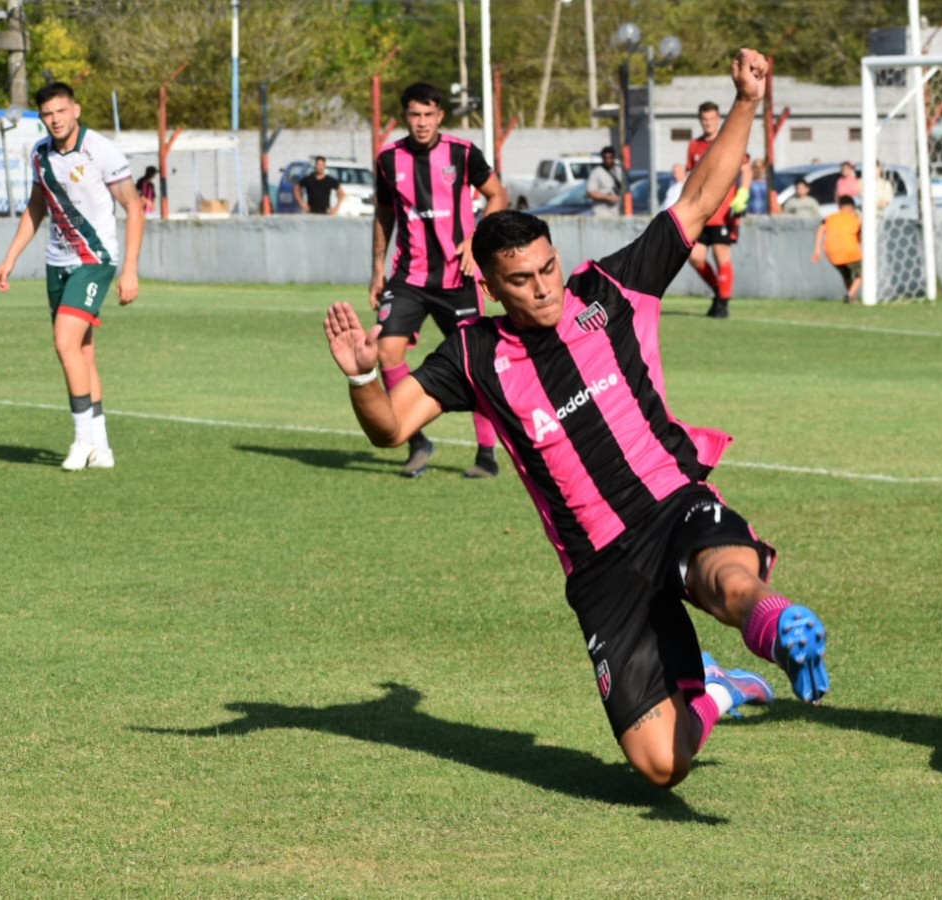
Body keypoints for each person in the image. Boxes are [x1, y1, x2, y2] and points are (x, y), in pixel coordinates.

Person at [323, 48, 830, 790]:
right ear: (490, 286)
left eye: (547, 269)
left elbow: (696, 200)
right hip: (600, 564)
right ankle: (718, 689)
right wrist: (368, 373)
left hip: (673, 502)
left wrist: (748, 102)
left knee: (726, 579)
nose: (542, 290)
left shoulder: (611, 290)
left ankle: (779, 626)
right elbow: (391, 427)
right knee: (662, 765)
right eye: (520, 281)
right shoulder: (473, 353)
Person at [0, 81, 145, 472]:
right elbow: (36, 207)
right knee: (82, 352)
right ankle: (102, 446)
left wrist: (130, 270)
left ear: (75, 110)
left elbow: (134, 205)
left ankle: (81, 440)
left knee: (64, 342)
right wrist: (10, 257)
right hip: (56, 262)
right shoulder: (40, 154)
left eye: (61, 111)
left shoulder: (101, 150)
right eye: (48, 113)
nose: (55, 119)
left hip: (95, 260)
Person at [370, 82, 510, 478]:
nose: (422, 123)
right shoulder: (388, 159)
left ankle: (486, 454)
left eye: (429, 115)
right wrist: (376, 269)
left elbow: (498, 195)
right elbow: (383, 215)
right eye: (415, 115)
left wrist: (476, 240)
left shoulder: (462, 153)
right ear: (406, 117)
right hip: (409, 277)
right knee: (386, 351)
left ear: (440, 117)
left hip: (457, 276)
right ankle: (416, 437)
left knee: (477, 361)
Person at [685, 100, 752, 319]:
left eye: (712, 119)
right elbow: (691, 176)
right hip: (701, 211)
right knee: (695, 256)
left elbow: (746, 169)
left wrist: (742, 194)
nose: (708, 123)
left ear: (718, 119)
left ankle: (723, 303)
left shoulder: (727, 142)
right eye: (704, 119)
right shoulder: (694, 146)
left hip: (723, 211)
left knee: (721, 254)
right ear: (700, 120)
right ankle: (718, 290)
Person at [812, 194, 862, 302]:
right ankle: (849, 296)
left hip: (832, 253)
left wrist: (817, 249)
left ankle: (852, 298)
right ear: (852, 207)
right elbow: (861, 234)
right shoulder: (855, 218)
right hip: (851, 252)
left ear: (839, 206)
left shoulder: (830, 218)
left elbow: (820, 230)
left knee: (847, 276)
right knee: (863, 273)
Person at [585, 146, 628, 217]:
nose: (608, 160)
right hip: (602, 211)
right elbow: (590, 192)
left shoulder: (619, 170)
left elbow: (624, 189)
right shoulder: (597, 172)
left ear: (614, 158)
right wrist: (608, 197)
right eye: (605, 158)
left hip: (618, 211)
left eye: (610, 158)